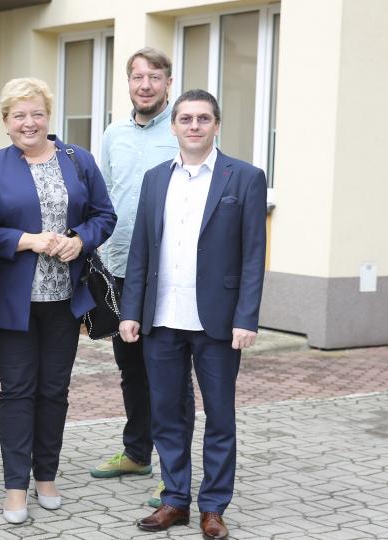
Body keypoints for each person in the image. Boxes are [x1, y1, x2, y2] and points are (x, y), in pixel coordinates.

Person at [119, 89, 267, 540]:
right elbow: (142, 251)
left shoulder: (244, 178)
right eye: (186, 119)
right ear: (174, 126)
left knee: (219, 415)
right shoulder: (155, 179)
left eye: (204, 118)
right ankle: (175, 500)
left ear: (217, 125)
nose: (195, 126)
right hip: (162, 317)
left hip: (218, 321)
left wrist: (247, 317)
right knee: (167, 413)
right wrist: (131, 311)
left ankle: (214, 507)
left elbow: (253, 256)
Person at [0, 78, 116, 524]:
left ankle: (46, 475)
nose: (28, 122)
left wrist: (81, 240)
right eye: (19, 115)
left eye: (36, 113)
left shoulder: (78, 160)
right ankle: (16, 484)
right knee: (17, 391)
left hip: (65, 300)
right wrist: (25, 240)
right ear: (6, 122)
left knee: (54, 390)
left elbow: (104, 215)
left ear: (47, 116)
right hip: (13, 302)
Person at [94, 47, 193, 508]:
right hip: (119, 268)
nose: (146, 85)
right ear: (128, 83)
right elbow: (107, 197)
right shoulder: (113, 134)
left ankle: (176, 472)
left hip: (169, 273)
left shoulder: (183, 129)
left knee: (169, 375)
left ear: (168, 82)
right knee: (131, 369)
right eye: (138, 77)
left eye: (155, 76)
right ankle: (137, 453)